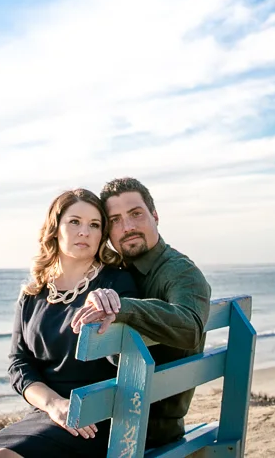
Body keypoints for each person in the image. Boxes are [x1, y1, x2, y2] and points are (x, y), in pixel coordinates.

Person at [0, 188, 138, 458]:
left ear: (102, 235)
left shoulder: (115, 285)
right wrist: (54, 404)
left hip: (97, 418)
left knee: (3, 457)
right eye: (74, 222)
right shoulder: (32, 295)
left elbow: (124, 357)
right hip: (48, 412)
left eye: (94, 225)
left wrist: (114, 310)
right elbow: (18, 364)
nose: (84, 232)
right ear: (55, 229)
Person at [71, 177, 212, 449]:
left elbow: (191, 327)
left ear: (155, 216)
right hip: (111, 415)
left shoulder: (180, 271)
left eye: (136, 214)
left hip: (141, 426)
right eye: (115, 220)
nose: (128, 227)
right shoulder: (114, 274)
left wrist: (122, 308)